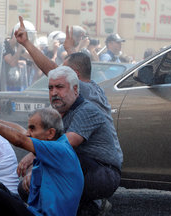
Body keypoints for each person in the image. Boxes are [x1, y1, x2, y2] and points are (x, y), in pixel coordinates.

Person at [48, 66, 122, 215]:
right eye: (50, 88)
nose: (54, 92)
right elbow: (34, 138)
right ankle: (85, 206)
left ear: (75, 90)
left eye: (60, 87)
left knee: (63, 158)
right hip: (84, 170)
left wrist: (34, 154)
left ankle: (94, 204)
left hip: (103, 174)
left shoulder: (87, 110)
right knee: (29, 186)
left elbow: (68, 143)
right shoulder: (54, 114)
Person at [2, 20, 37, 91]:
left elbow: (33, 58)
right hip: (3, 85)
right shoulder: (4, 45)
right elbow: (12, 62)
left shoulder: (17, 47)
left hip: (16, 85)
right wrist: (20, 47)